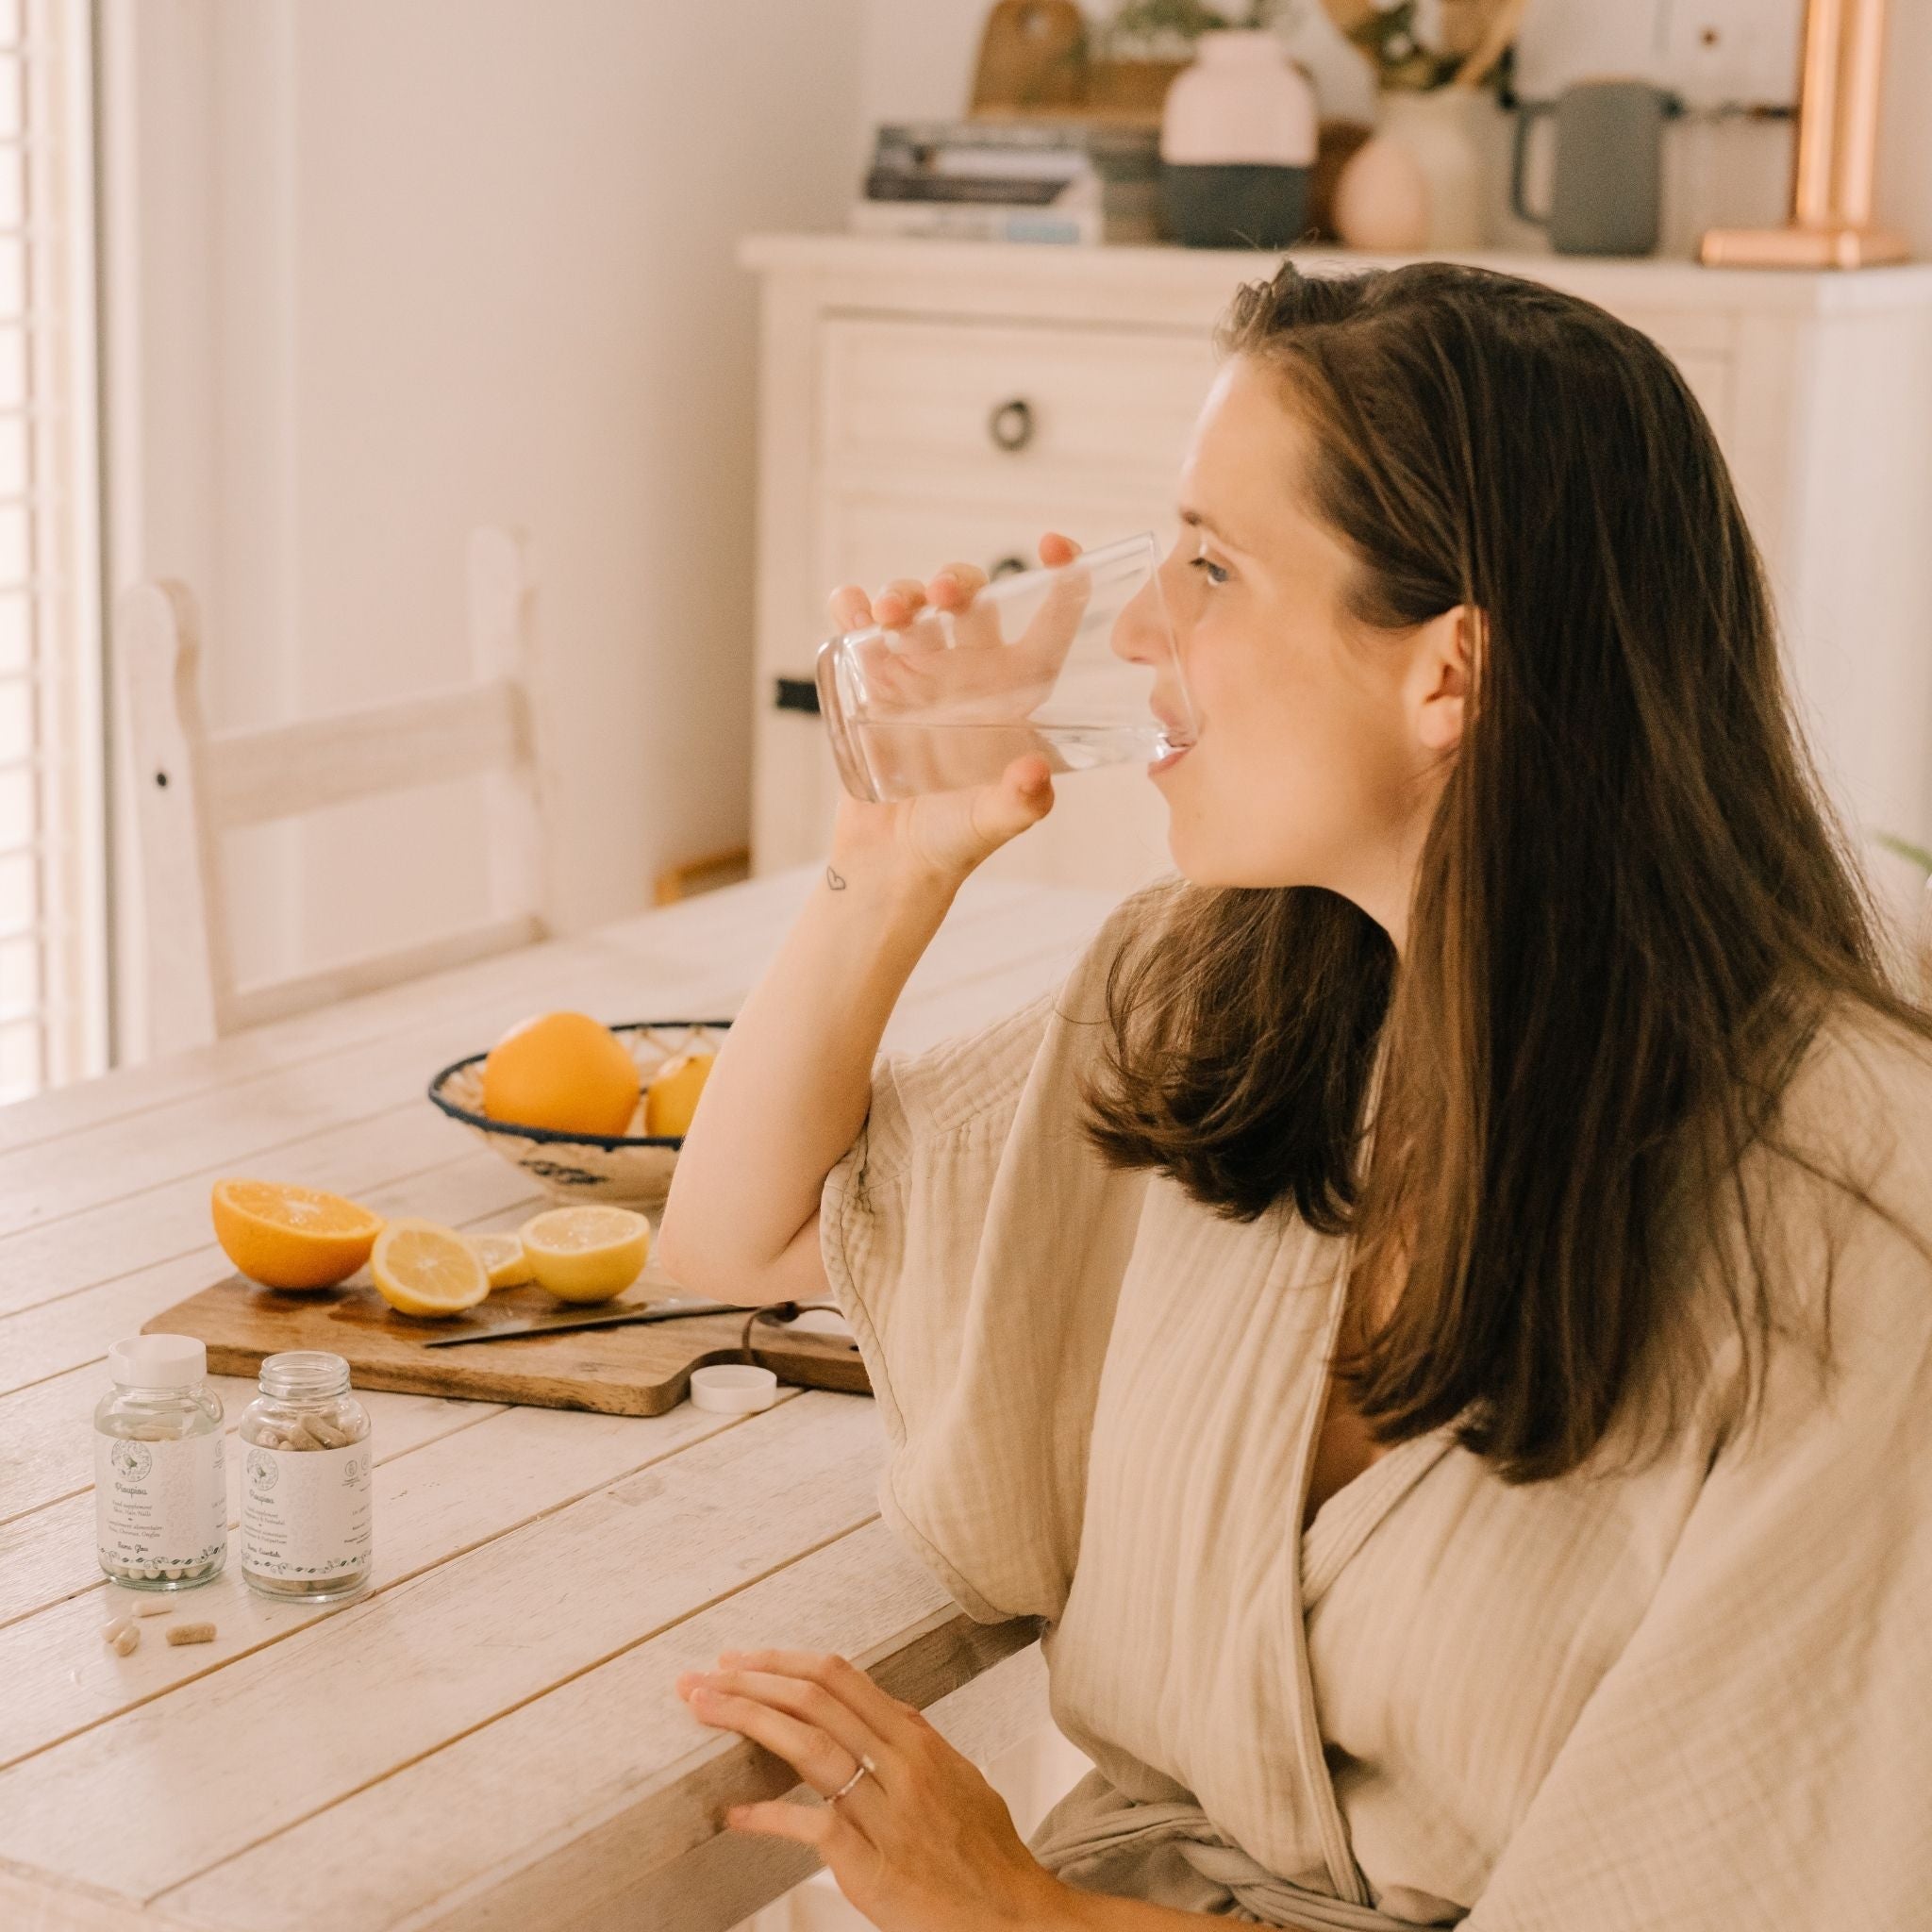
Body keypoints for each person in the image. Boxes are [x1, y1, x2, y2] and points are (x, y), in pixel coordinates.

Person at [657, 259, 1932, 1931]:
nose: (1133, 632)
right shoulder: (1228, 1002)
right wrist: (890, 865)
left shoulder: (1858, 1217)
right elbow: (737, 1248)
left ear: (1449, 674)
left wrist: (1026, 1912)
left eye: (1210, 566)